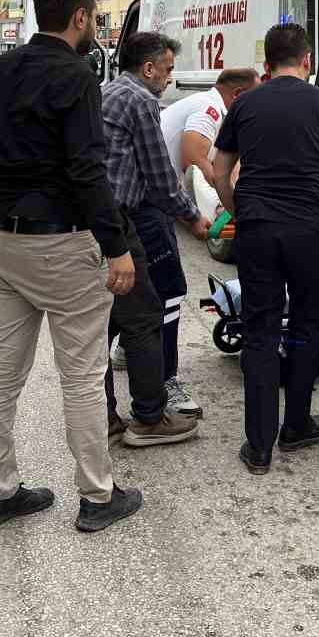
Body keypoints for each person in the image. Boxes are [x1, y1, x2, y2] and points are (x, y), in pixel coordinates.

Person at [0, 0, 143, 533]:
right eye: (95, 16)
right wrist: (116, 247)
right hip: (62, 245)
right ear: (80, 17)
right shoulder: (77, 76)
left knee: (1, 371)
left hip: (4, 242)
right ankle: (98, 496)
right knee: (81, 374)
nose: (96, 25)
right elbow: (87, 169)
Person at [211, 23, 319, 475]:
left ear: (266, 64)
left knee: (260, 331)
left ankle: (259, 445)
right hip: (312, 230)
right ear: (307, 60)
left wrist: (238, 210)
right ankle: (298, 425)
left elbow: (219, 170)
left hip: (260, 229)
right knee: (308, 324)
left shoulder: (245, 102)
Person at [100, 32, 206, 446]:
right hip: (124, 221)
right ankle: (148, 417)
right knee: (143, 317)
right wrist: (193, 216)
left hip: (97, 220)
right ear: (148, 68)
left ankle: (104, 416)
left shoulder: (107, 91)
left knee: (102, 323)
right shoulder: (140, 100)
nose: (169, 76)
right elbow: (161, 178)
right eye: (167, 68)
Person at [153, 66, 261, 414]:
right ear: (240, 95)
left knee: (146, 285)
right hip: (150, 204)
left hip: (151, 200)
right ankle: (162, 381)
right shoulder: (212, 108)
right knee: (169, 290)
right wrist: (210, 208)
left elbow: (226, 162)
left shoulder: (217, 109)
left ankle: (130, 347)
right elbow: (193, 159)